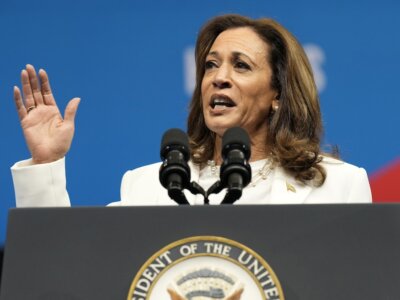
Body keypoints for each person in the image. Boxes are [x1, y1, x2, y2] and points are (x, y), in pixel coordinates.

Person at [11, 14, 372, 207]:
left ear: (277, 93)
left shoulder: (338, 185)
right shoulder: (150, 186)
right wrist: (46, 166)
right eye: (211, 65)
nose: (219, 78)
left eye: (241, 66)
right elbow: (70, 266)